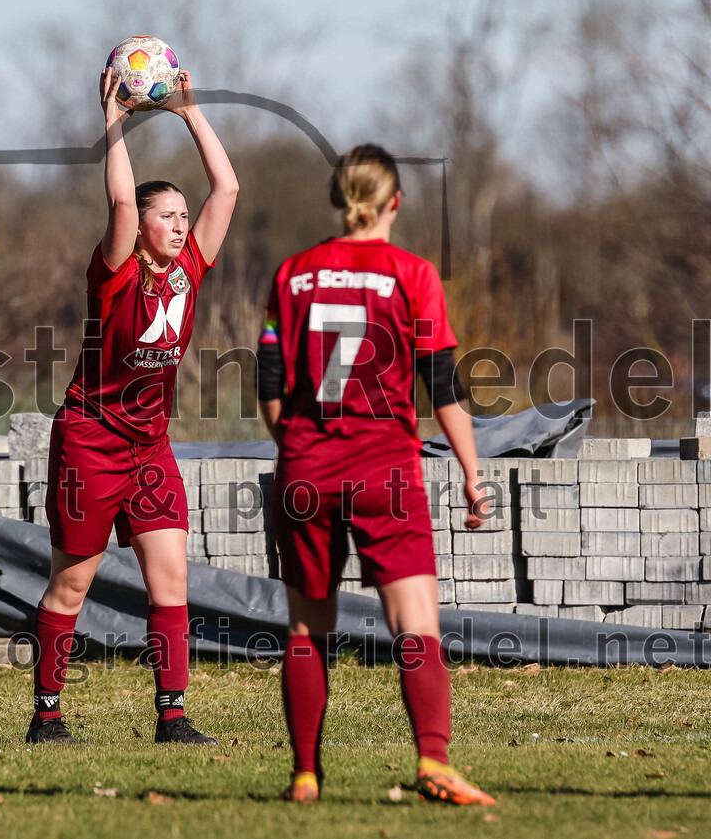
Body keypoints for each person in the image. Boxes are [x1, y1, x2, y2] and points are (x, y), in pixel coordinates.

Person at [257, 144, 495, 805]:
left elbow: (270, 385)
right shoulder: (413, 274)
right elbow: (443, 389)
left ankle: (305, 775)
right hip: (384, 469)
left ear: (338, 199)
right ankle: (434, 761)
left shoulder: (291, 274)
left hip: (306, 469)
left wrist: (301, 447)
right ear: (396, 202)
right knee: (415, 624)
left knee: (306, 628)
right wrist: (473, 477)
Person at [27, 67, 237, 745]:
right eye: (167, 215)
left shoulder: (191, 268)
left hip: (148, 446)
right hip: (89, 440)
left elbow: (227, 188)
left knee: (170, 574)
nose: (180, 224)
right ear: (142, 225)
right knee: (71, 585)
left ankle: (172, 716)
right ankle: (48, 713)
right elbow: (118, 204)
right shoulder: (114, 272)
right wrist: (113, 117)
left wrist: (190, 112)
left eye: (184, 215)